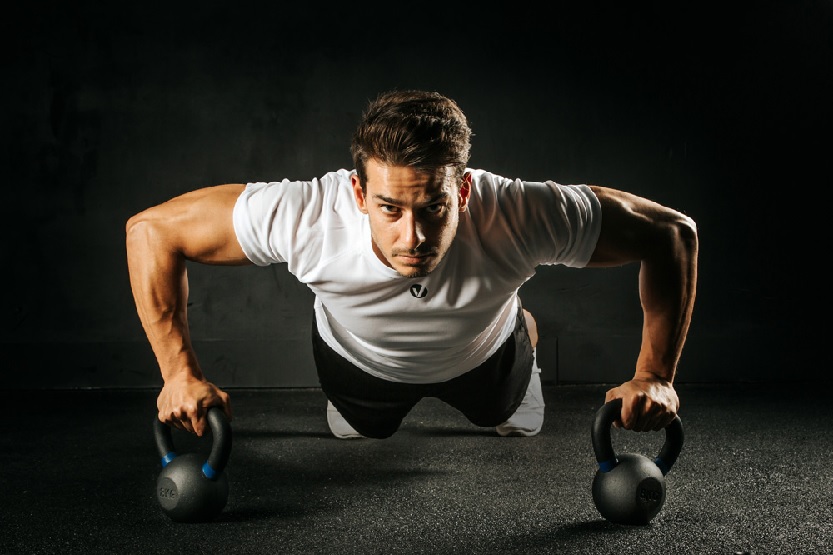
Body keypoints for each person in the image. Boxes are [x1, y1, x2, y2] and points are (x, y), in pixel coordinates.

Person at [126, 89, 698, 440]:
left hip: (485, 358)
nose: (413, 236)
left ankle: (521, 338)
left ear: (465, 189)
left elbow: (672, 234)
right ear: (357, 193)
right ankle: (368, 402)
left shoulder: (517, 211)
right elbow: (151, 231)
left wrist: (655, 376)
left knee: (512, 422)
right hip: (360, 364)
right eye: (389, 208)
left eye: (433, 207)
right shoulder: (306, 213)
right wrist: (178, 374)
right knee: (359, 431)